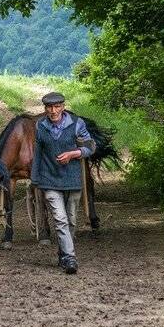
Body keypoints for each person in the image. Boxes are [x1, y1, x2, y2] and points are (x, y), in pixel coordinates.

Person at [30, 91, 96, 274]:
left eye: (57, 106)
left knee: (71, 220)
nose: (53, 111)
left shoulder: (76, 124)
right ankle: (70, 258)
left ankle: (63, 253)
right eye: (49, 107)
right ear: (45, 109)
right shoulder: (40, 126)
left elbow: (90, 146)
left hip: (73, 180)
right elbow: (38, 154)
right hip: (49, 180)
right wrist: (35, 180)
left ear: (63, 107)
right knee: (60, 219)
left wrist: (73, 154)